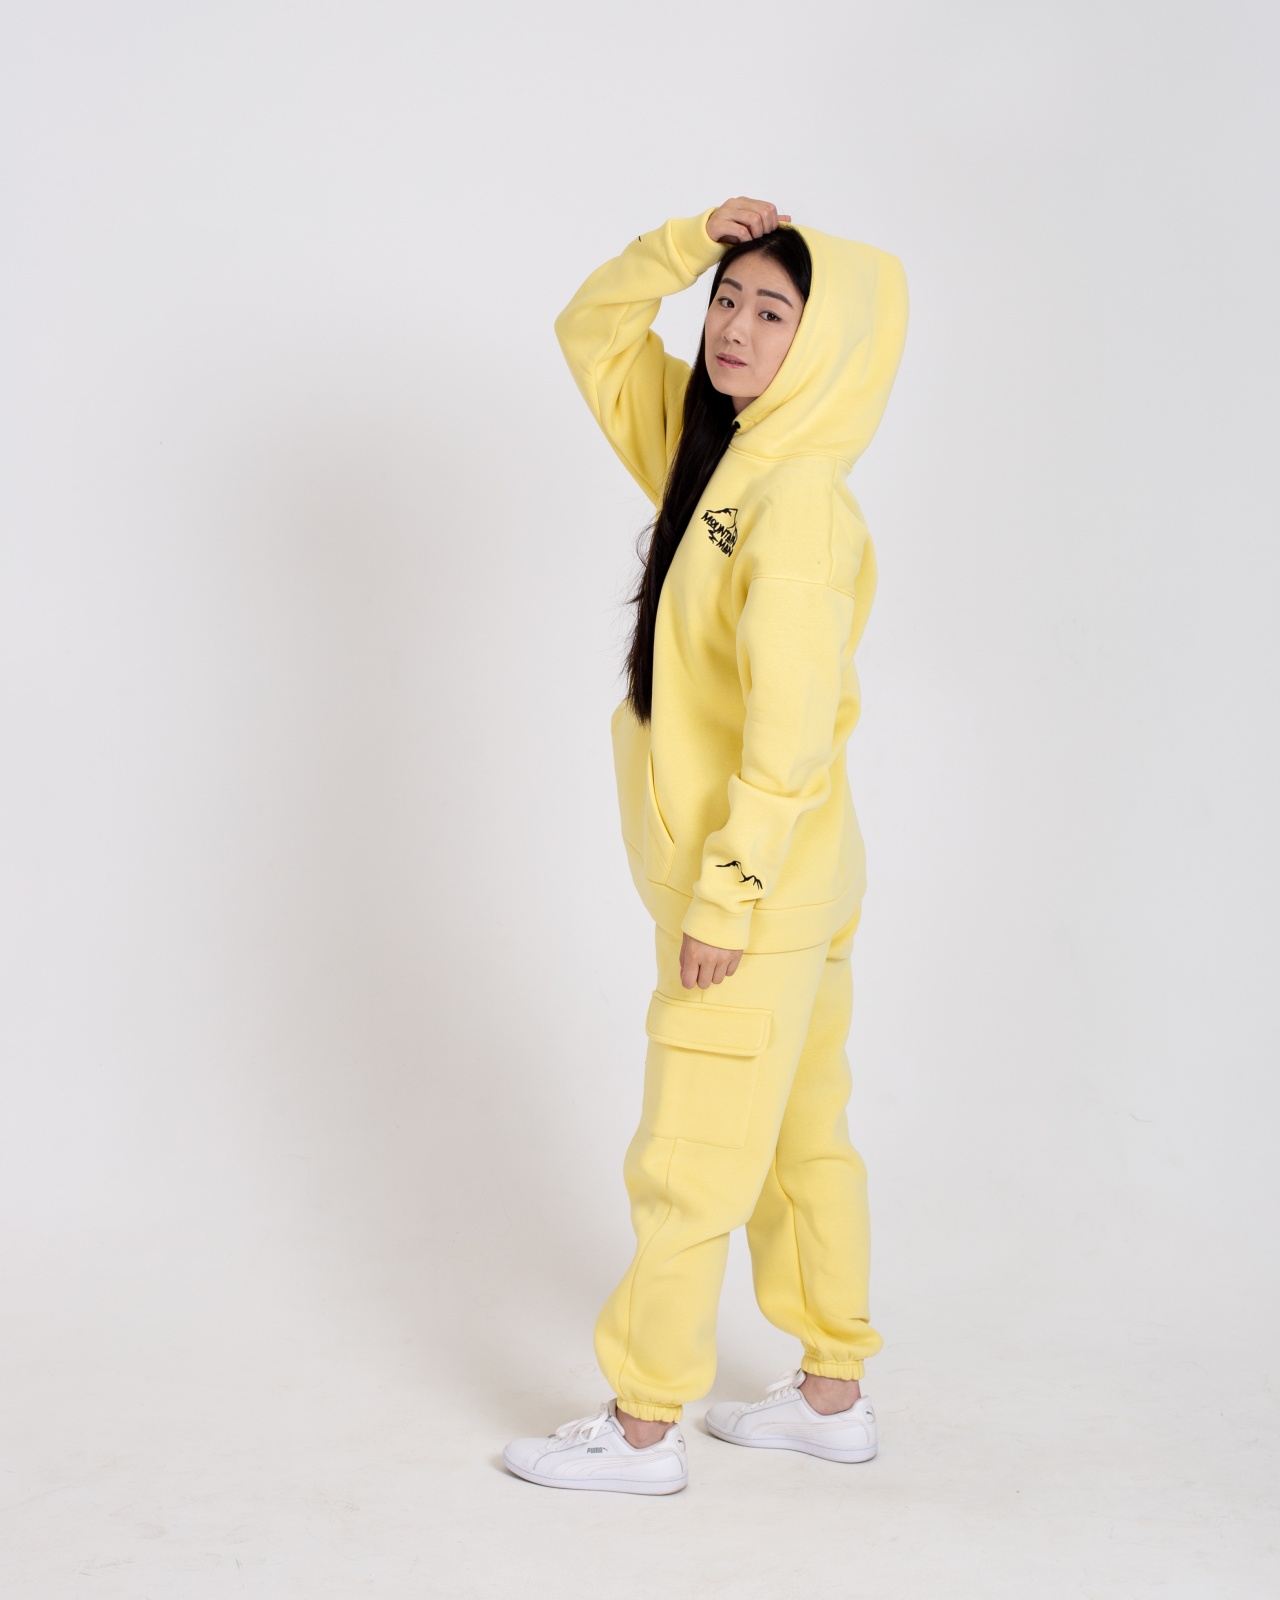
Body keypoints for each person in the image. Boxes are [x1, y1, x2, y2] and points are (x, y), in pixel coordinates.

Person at [503, 198, 909, 1494]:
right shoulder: (718, 459)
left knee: (687, 1157)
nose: (733, 327)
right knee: (798, 1138)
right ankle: (832, 1394)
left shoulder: (795, 506)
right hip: (803, 882)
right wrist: (684, 243)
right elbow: (593, 332)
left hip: (754, 893)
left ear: (825, 342)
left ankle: (639, 1429)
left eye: (772, 311)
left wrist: (726, 897)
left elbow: (789, 737)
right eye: (727, 300)